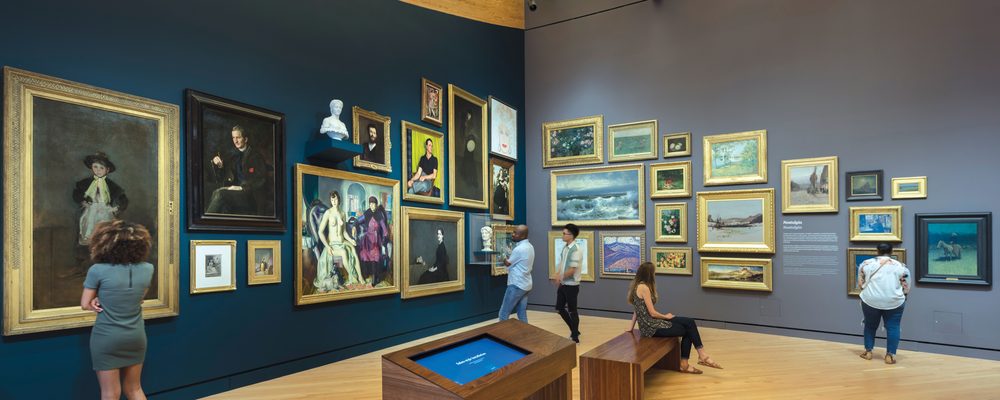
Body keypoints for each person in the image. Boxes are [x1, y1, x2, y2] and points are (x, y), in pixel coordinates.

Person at [80, 220, 155, 400]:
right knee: (135, 389)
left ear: (104, 243)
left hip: (107, 337)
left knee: (110, 393)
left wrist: (97, 299)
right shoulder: (148, 269)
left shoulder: (97, 270)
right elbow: (138, 299)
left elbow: (85, 303)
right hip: (136, 336)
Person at [626, 261, 723, 374]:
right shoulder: (644, 288)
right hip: (651, 327)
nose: (654, 274)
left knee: (689, 322)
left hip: (651, 324)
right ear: (649, 274)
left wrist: (631, 327)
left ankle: (700, 356)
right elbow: (652, 313)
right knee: (688, 329)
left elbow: (636, 310)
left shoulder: (638, 286)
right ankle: (690, 362)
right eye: (653, 272)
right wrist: (666, 316)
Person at [858, 242, 911, 364]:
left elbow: (861, 284)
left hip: (870, 300)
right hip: (894, 301)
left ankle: (868, 352)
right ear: (892, 252)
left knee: (870, 326)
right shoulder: (901, 266)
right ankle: (890, 356)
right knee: (893, 327)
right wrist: (904, 295)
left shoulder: (866, 264)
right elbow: (906, 286)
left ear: (877, 251)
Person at [206, 125, 267, 215]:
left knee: (220, 194)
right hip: (234, 192)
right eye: (233, 138)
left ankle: (207, 221)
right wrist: (219, 166)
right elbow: (222, 178)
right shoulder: (232, 156)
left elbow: (260, 180)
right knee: (213, 190)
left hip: (250, 195)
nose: (235, 141)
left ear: (245, 139)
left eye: (238, 137)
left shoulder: (256, 157)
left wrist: (241, 187)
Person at [315, 191, 362, 291]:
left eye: (335, 199)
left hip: (342, 241)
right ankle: (351, 277)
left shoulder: (342, 213)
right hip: (333, 244)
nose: (334, 201)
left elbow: (344, 232)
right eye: (332, 199)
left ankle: (360, 277)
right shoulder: (328, 213)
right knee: (343, 252)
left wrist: (351, 240)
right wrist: (327, 246)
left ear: (339, 200)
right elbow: (320, 232)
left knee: (353, 250)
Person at [551, 223, 582, 343]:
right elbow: (562, 264)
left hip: (572, 286)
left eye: (565, 233)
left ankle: (575, 337)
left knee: (572, 310)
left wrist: (560, 277)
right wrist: (558, 275)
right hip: (564, 284)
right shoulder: (565, 248)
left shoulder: (576, 250)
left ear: (572, 235)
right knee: (559, 308)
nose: (563, 235)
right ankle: (575, 329)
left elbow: (572, 269)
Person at [499, 225, 534, 322]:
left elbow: (507, 263)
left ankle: (500, 336)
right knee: (521, 313)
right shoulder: (530, 246)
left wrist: (501, 255)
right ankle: (526, 336)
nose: (513, 235)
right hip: (525, 284)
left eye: (515, 233)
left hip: (516, 285)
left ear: (522, 236)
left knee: (503, 313)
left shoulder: (519, 249)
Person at [356, 196, 389, 286]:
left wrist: (384, 237)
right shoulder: (367, 213)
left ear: (376, 205)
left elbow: (384, 229)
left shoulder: (379, 214)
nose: (372, 206)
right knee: (363, 254)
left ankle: (375, 277)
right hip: (367, 239)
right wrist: (354, 227)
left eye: (373, 204)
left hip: (376, 240)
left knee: (375, 256)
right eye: (370, 204)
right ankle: (365, 274)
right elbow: (358, 221)